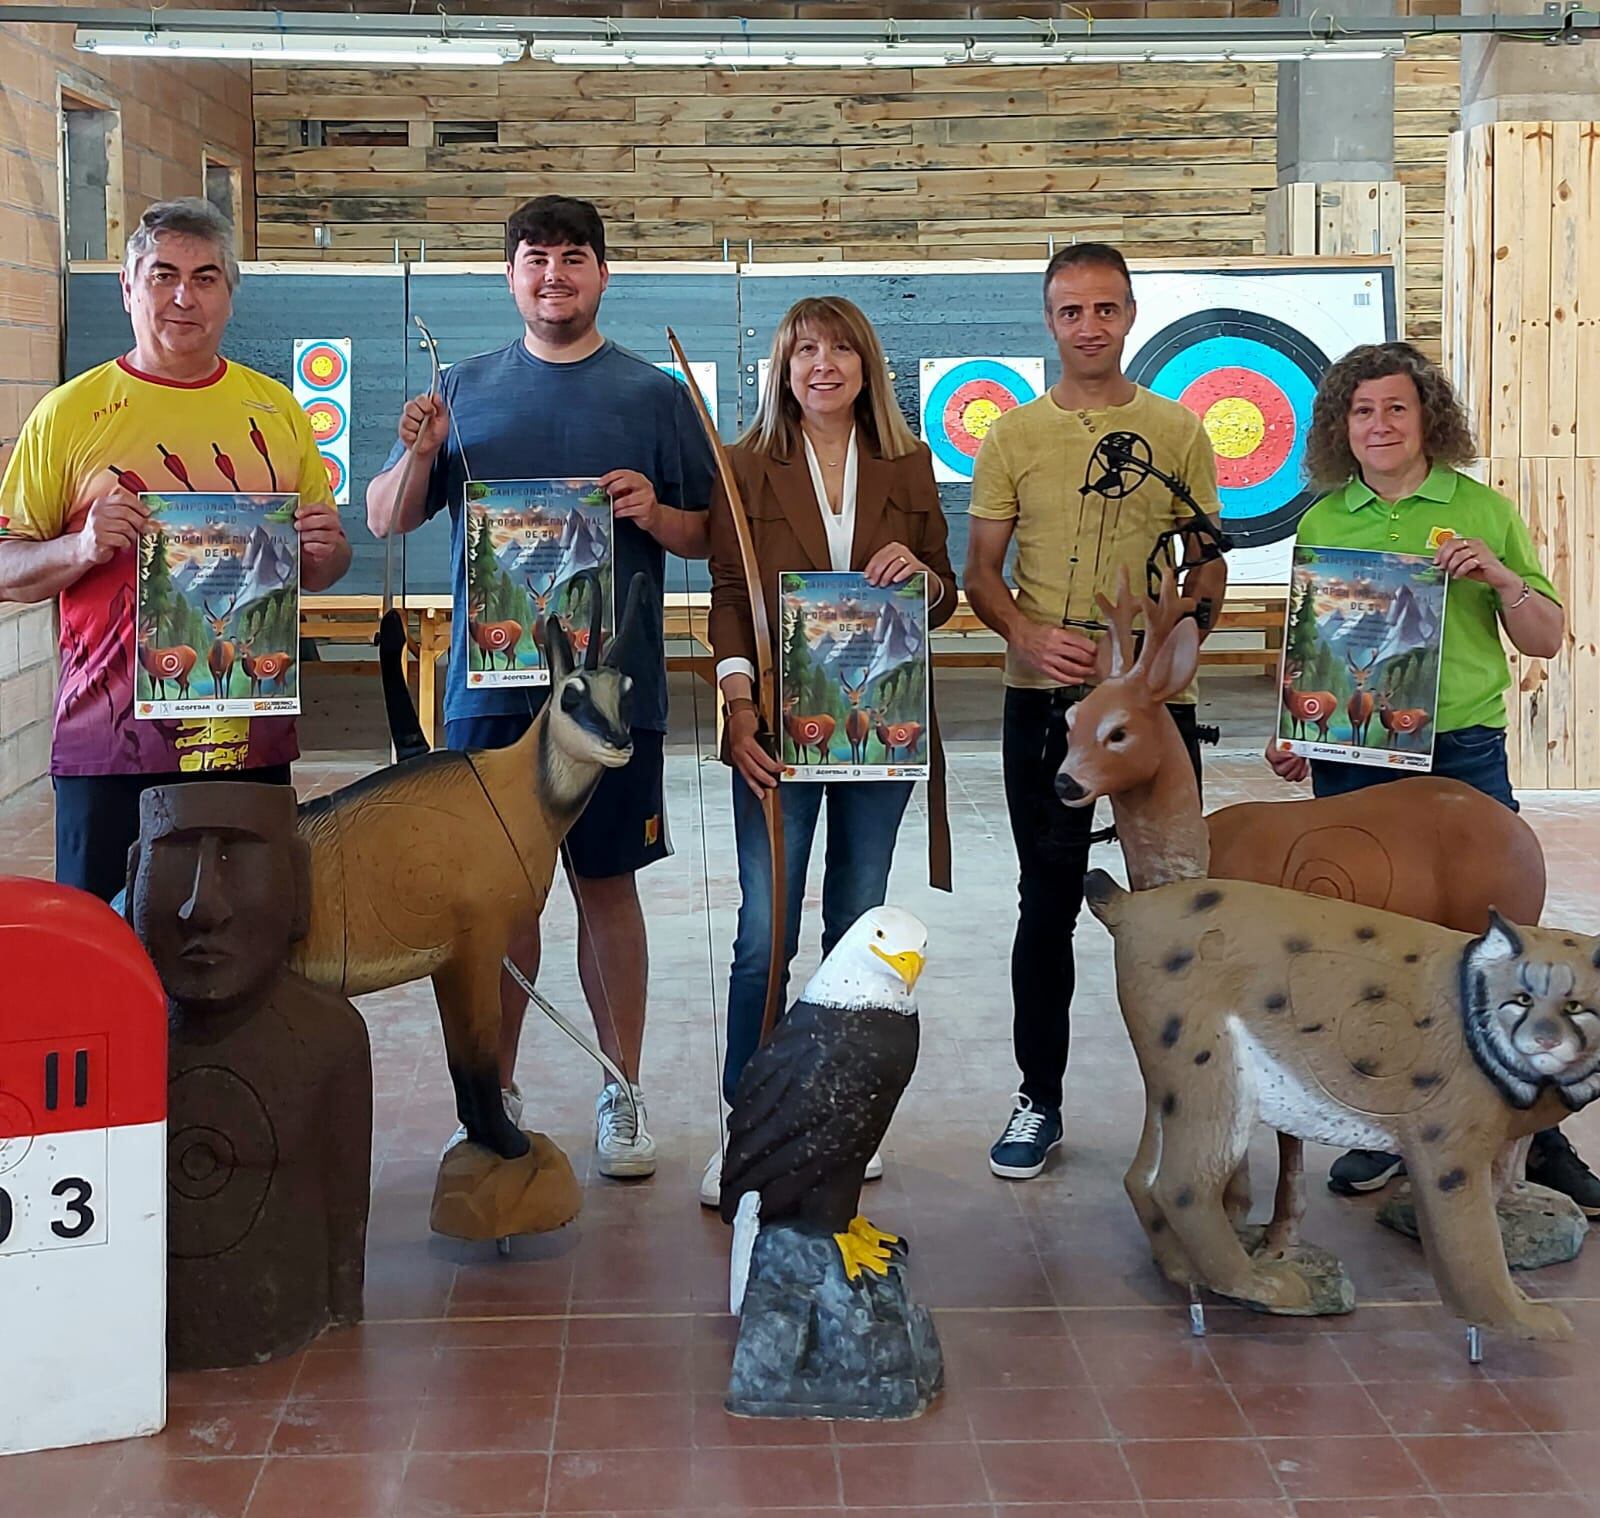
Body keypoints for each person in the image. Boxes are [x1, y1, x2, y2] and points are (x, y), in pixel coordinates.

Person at [366, 194, 713, 1180]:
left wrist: (655, 511)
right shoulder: (458, 388)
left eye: (571, 259)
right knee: (497, 903)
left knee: (606, 889)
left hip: (609, 695)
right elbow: (386, 519)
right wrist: (423, 449)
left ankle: (624, 1089)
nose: (553, 276)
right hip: (491, 693)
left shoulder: (652, 397)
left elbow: (712, 533)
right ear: (509, 275)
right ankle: (497, 1096)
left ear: (602, 273)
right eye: (534, 260)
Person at [1268, 340, 1599, 1214]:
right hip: (1354, 760)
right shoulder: (1323, 521)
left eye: (1396, 409)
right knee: (1371, 950)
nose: (1379, 425)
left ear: (1428, 420)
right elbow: (1316, 654)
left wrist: (1496, 575)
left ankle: (1540, 1136)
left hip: (1459, 754)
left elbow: (1545, 637)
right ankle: (1387, 1129)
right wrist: (1300, 725)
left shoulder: (1481, 510)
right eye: (1362, 411)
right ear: (1344, 427)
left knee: (1496, 950)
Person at [0, 197, 351, 903]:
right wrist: (80, 546)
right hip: (109, 745)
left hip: (245, 734)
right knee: (106, 952)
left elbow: (326, 564)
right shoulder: (67, 414)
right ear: (128, 289)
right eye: (162, 275)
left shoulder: (276, 411)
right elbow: (8, 569)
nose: (183, 296)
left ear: (229, 296)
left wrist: (322, 551)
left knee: (248, 948)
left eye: (206, 277)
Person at [965, 242, 1228, 1181]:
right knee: (1047, 904)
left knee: (1175, 909)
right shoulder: (1010, 438)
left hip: (1155, 714)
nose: (1089, 326)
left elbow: (1208, 559)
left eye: (1105, 309)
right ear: (1049, 321)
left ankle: (1194, 1103)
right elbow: (981, 575)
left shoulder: (1179, 430)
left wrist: (1181, 635)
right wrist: (1027, 635)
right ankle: (1040, 1099)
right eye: (1071, 311)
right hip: (1045, 703)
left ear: (1130, 315)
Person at [701, 296, 957, 1207]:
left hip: (880, 732)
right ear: (782, 366)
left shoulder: (908, 462)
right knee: (764, 932)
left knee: (857, 928)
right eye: (805, 350)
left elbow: (943, 596)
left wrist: (924, 579)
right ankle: (747, 1121)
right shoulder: (742, 465)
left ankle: (840, 1115)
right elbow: (729, 594)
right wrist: (737, 704)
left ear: (866, 366)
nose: (823, 365)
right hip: (777, 729)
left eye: (842, 349)